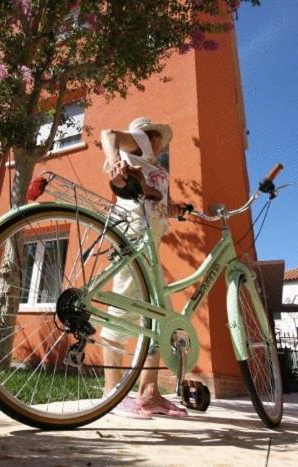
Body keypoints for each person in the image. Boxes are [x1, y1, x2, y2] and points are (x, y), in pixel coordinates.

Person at [99, 117, 188, 418]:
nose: (162, 143)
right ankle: (110, 391)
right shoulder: (142, 141)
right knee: (124, 305)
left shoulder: (154, 166)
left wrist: (178, 210)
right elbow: (108, 132)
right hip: (134, 234)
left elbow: (161, 206)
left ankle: (149, 393)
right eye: (159, 137)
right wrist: (112, 160)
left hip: (150, 239)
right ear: (149, 134)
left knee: (159, 313)